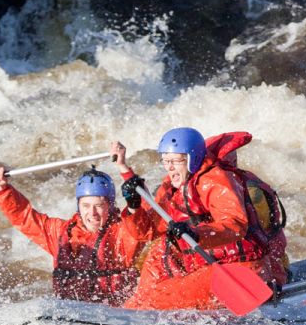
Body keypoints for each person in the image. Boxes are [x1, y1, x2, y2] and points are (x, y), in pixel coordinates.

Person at [121, 126, 288, 310]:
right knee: (153, 270)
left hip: (240, 270)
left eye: (176, 161)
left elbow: (235, 224)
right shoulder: (172, 186)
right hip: (211, 269)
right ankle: (131, 314)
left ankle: (136, 317)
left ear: (193, 159)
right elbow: (145, 232)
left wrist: (196, 233)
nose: (169, 167)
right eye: (166, 160)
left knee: (151, 301)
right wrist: (133, 207)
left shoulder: (214, 180)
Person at [0, 141, 154, 306]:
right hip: (70, 316)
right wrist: (3, 189)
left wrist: (123, 167)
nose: (92, 213)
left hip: (114, 317)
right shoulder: (60, 232)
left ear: (110, 206)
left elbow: (144, 211)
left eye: (99, 206)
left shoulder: (123, 233)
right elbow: (24, 217)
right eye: (86, 206)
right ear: (78, 206)